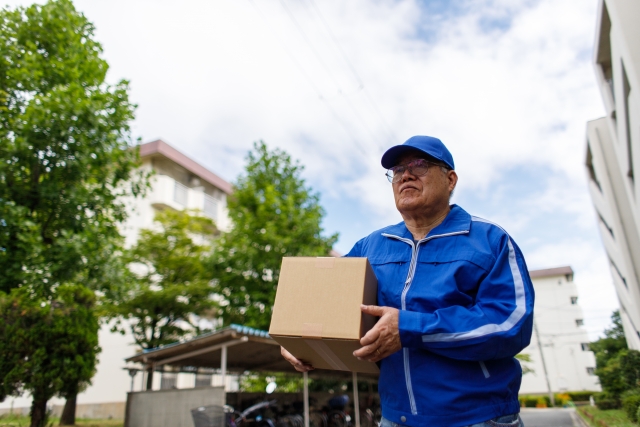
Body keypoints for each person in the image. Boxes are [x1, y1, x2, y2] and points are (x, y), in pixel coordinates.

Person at [280, 135, 535, 427]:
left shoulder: (490, 240)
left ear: (450, 179)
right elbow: (326, 303)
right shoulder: (371, 246)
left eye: (420, 165)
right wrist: (298, 338)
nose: (406, 175)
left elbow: (511, 323)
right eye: (398, 170)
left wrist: (410, 327)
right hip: (395, 417)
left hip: (477, 417)